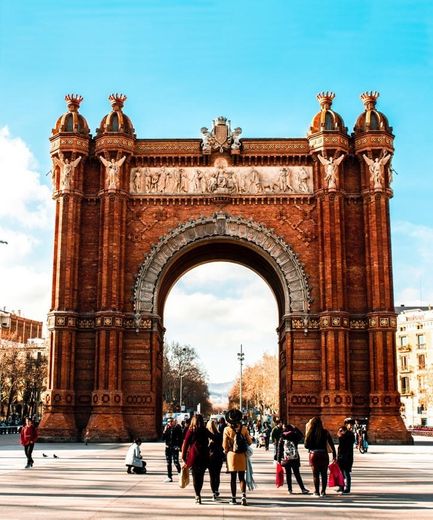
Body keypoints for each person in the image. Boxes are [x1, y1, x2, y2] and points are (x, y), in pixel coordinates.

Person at [223, 408, 253, 506]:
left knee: (233, 478)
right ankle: (243, 496)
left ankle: (233, 498)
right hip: (242, 456)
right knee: (241, 477)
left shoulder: (227, 429)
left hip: (231, 455)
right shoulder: (243, 429)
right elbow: (250, 442)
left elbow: (224, 446)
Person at [181, 414, 213, 504]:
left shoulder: (190, 431)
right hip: (203, 456)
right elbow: (215, 438)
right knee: (201, 476)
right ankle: (199, 493)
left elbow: (185, 443)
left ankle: (197, 495)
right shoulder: (204, 430)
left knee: (195, 476)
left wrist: (183, 456)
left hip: (193, 456)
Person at [304, 416, 336, 497]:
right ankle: (323, 492)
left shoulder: (310, 432)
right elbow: (331, 444)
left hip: (314, 455)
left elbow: (306, 445)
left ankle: (316, 492)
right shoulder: (325, 432)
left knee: (315, 475)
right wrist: (334, 456)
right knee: (324, 474)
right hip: (324, 455)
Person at [277, 423, 309, 494]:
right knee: (297, 474)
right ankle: (302, 489)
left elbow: (279, 450)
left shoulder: (282, 437)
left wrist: (278, 460)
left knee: (288, 474)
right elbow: (301, 436)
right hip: (295, 458)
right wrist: (295, 428)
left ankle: (290, 489)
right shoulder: (294, 436)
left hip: (286, 459)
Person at [207, 419, 224, 500]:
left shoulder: (207, 436)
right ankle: (216, 490)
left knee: (212, 476)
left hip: (210, 457)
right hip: (218, 457)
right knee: (217, 474)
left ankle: (213, 492)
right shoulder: (219, 435)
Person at [337, 419, 355, 494]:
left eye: (351, 424)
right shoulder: (346, 434)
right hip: (343, 455)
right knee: (342, 472)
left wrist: (341, 436)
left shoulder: (349, 435)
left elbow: (344, 445)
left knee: (346, 472)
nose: (350, 426)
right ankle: (342, 486)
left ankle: (347, 488)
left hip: (346, 456)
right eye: (348, 424)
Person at [162, 417, 183, 482]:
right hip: (168, 447)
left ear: (174, 422)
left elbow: (181, 438)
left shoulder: (177, 428)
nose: (170, 423)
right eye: (168, 422)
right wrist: (164, 431)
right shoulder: (166, 429)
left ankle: (180, 475)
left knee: (176, 462)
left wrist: (179, 446)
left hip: (175, 447)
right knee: (168, 463)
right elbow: (163, 438)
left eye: (171, 421)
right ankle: (169, 476)